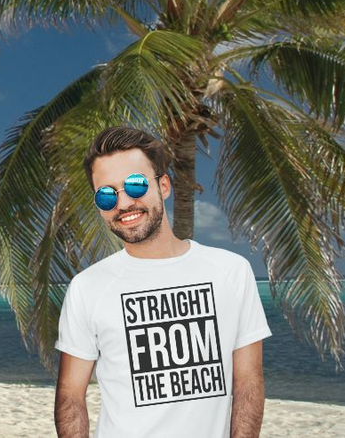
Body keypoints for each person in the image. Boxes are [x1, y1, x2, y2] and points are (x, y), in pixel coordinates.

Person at [54, 127, 270, 437]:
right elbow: (71, 396)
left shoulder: (231, 272)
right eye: (106, 193)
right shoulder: (87, 288)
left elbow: (248, 381)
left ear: (164, 186)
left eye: (136, 185)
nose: (124, 202)